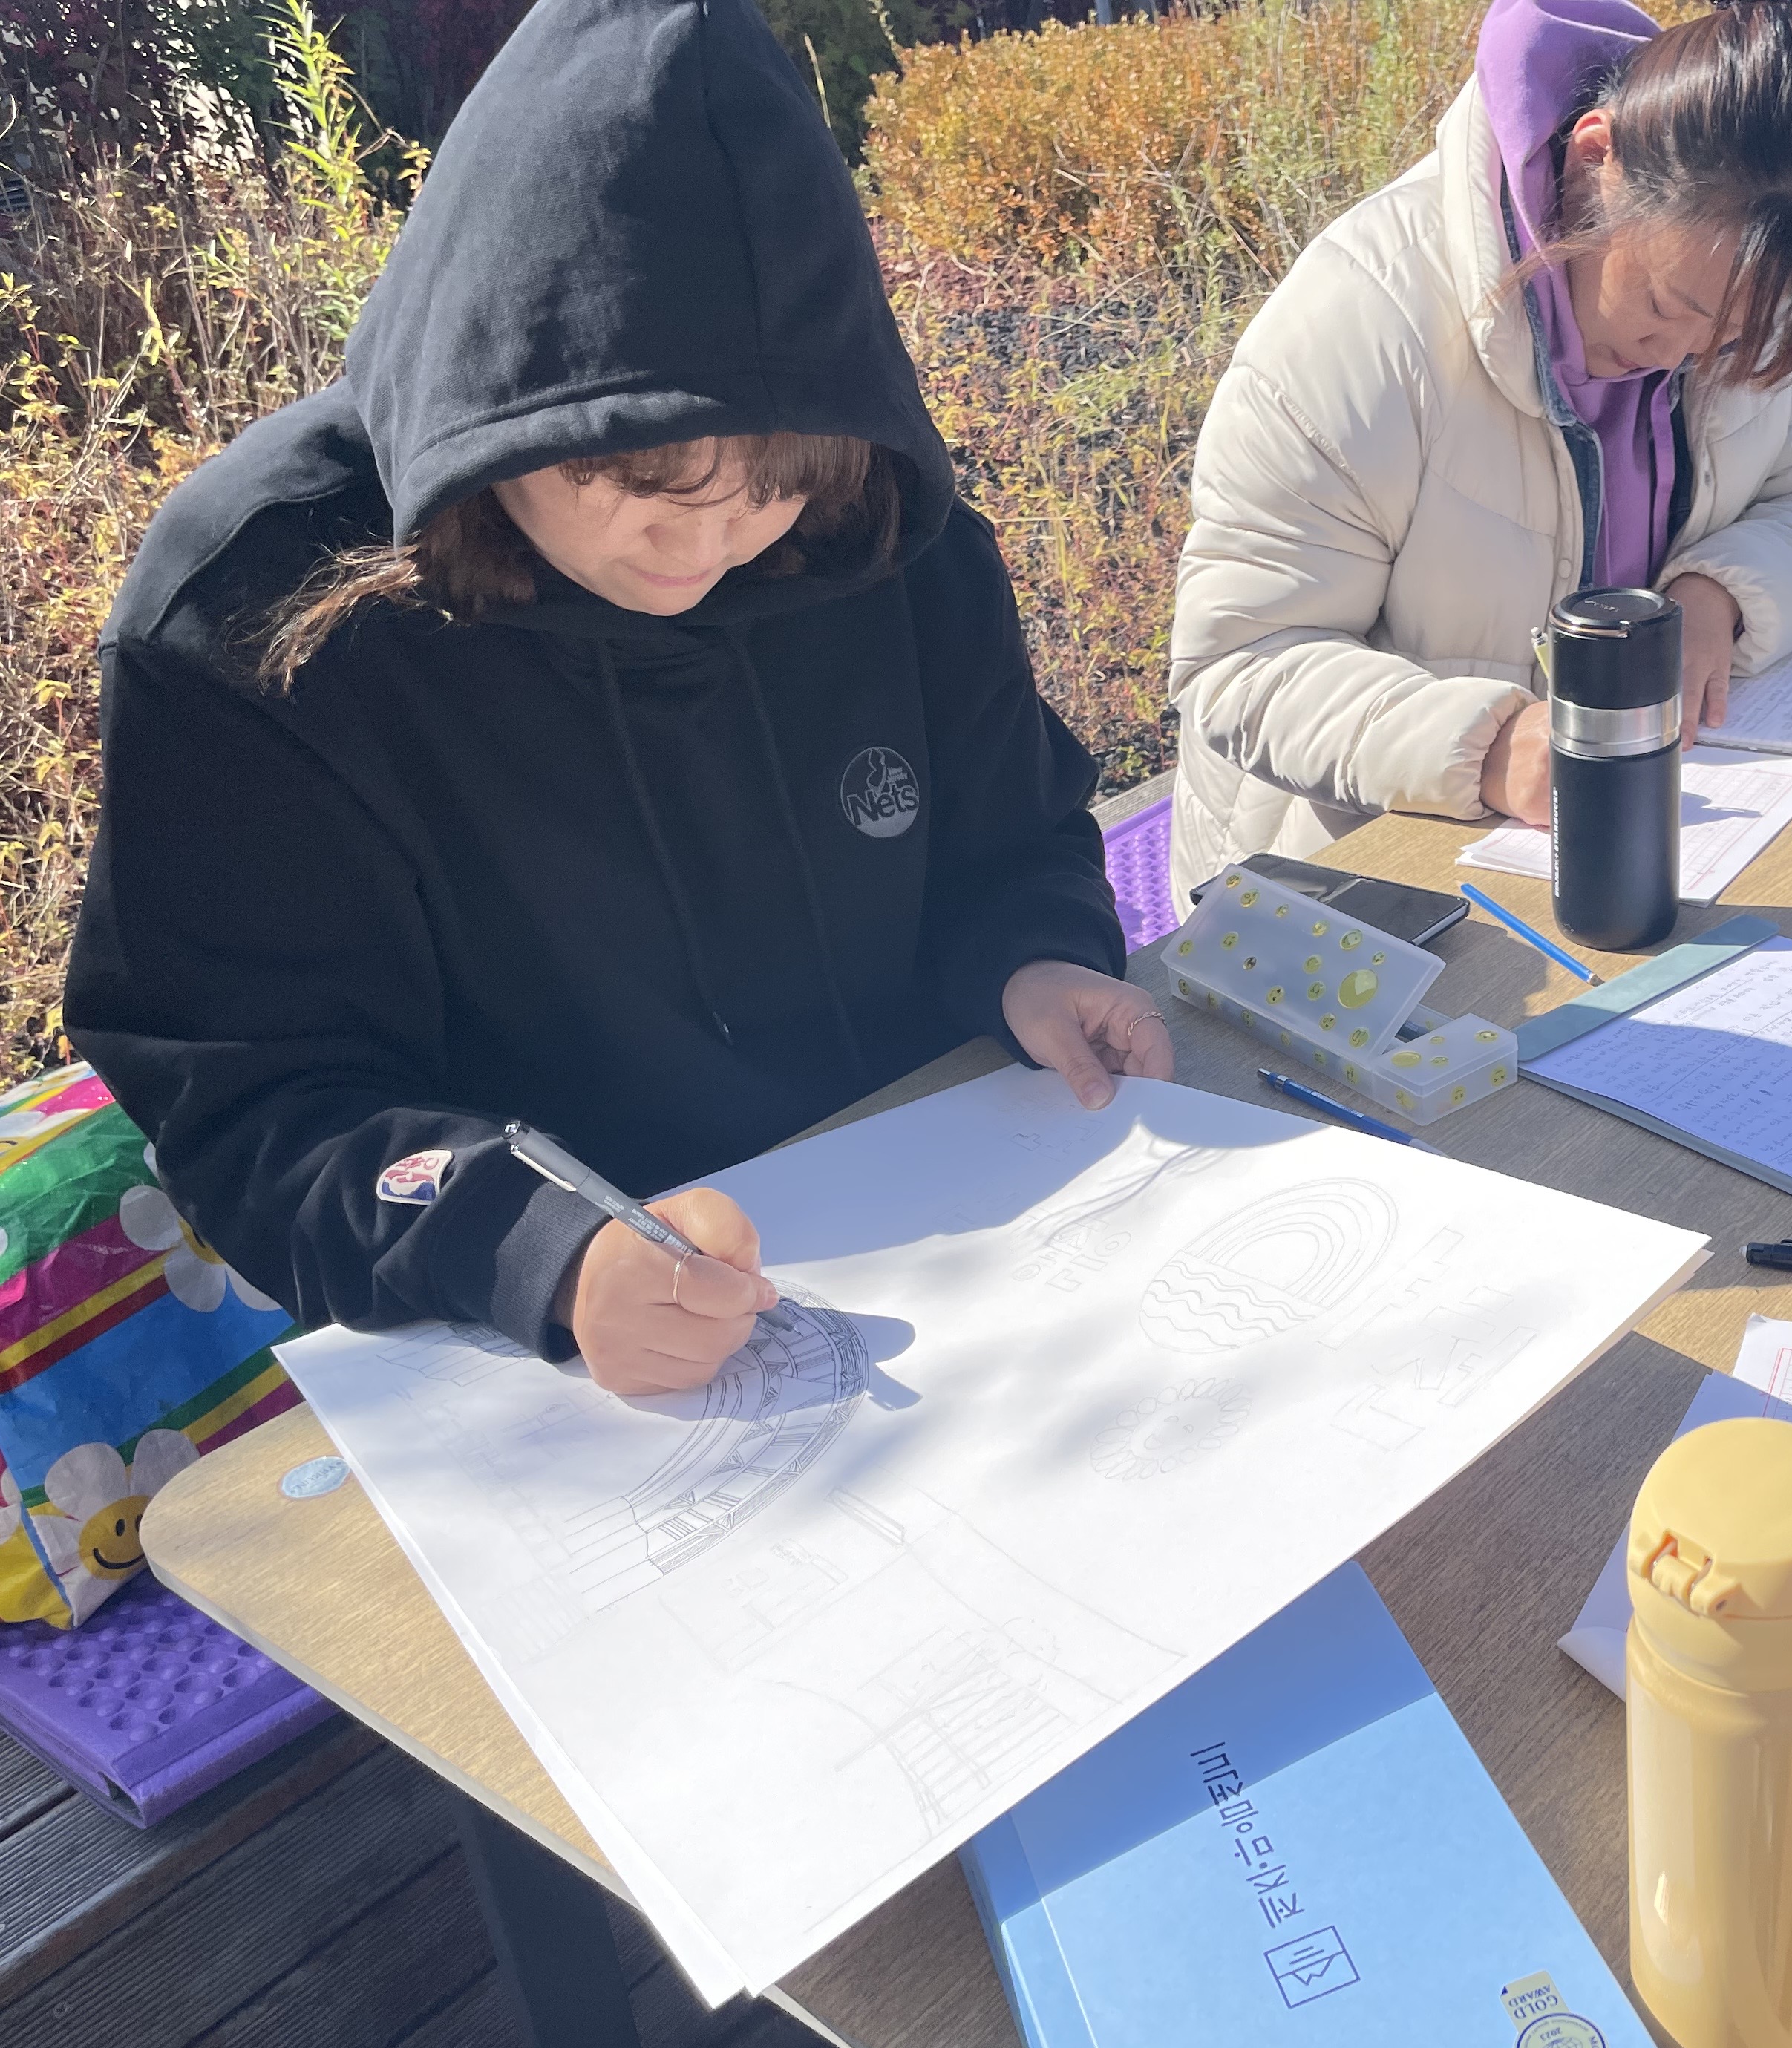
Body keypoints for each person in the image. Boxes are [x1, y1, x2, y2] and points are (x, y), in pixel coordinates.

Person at [64, 0, 1168, 1400]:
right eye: (636, 480)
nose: (703, 547)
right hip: (555, 1362)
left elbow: (1013, 836)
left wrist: (1035, 956)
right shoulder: (257, 620)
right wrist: (537, 1248)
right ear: (508, 401)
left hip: (990, 1263)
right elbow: (251, 1098)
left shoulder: (882, 529)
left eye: (772, 491)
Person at [1165, 0, 1792, 896]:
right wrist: (1492, 746)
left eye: (1730, 341)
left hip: (1644, 832)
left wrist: (1719, 597)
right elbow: (1239, 663)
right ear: (1594, 158)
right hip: (1351, 877)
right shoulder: (1361, 324)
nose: (1681, 358)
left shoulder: (1751, 287)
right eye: (1664, 308)